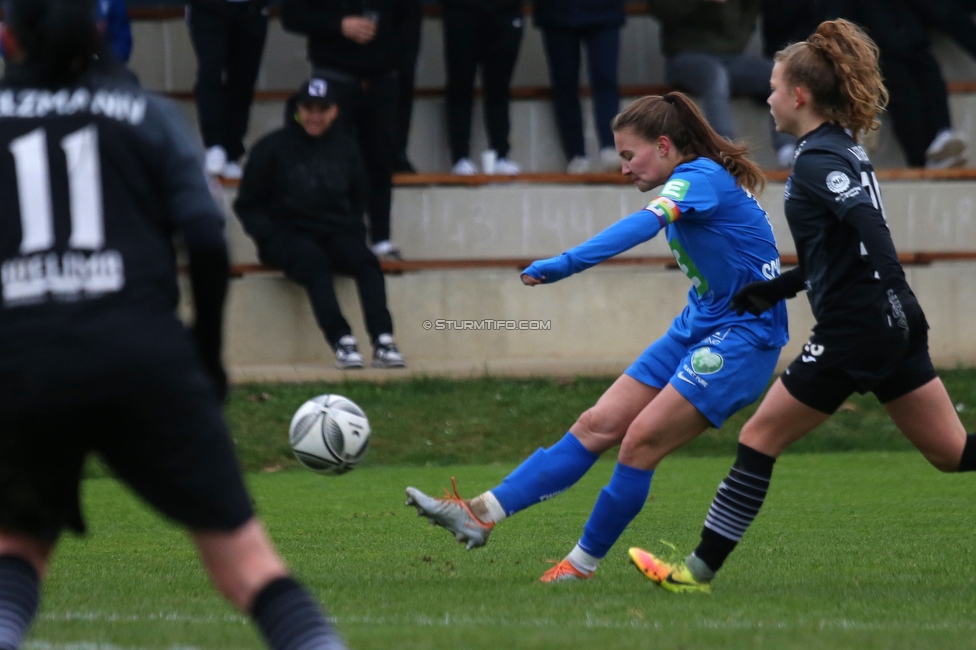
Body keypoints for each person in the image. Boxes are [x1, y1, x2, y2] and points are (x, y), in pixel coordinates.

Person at [0, 2, 347, 649]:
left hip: (22, 362)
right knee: (247, 563)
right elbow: (207, 240)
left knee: (16, 547)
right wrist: (206, 357)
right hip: (144, 357)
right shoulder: (147, 113)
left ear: (6, 36)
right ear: (100, 30)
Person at [629, 19, 976, 594]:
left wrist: (885, 286)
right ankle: (696, 572)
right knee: (951, 452)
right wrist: (782, 288)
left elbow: (867, 230)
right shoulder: (839, 148)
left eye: (772, 87)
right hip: (893, 320)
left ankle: (695, 573)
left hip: (858, 328)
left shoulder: (818, 160)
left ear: (799, 95)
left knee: (758, 439)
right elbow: (837, 250)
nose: (765, 98)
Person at [405, 91, 789, 582]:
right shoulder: (694, 180)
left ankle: (579, 567)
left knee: (639, 443)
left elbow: (642, 226)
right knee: (596, 424)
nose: (624, 168)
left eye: (630, 155)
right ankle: (479, 513)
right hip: (699, 324)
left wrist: (565, 264)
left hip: (743, 340)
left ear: (666, 146)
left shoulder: (700, 179)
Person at [234, 78, 406, 370]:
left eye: (321, 109)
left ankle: (383, 339)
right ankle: (342, 340)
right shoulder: (271, 148)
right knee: (313, 263)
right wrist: (267, 235)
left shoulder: (347, 147)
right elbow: (247, 204)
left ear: (334, 112)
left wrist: (353, 233)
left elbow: (358, 197)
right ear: (298, 110)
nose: (314, 116)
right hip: (287, 236)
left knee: (367, 262)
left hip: (335, 232)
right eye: (308, 109)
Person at [281, 0, 410, 260]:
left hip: (381, 78)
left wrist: (391, 52)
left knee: (379, 160)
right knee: (329, 160)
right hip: (334, 77)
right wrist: (339, 25)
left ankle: (381, 239)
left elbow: (407, 19)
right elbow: (292, 16)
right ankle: (329, 237)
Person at [647, 0, 798, 168]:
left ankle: (788, 149)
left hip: (731, 56)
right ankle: (724, 151)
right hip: (685, 55)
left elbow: (745, 21)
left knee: (780, 74)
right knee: (715, 75)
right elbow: (661, 9)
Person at [820, 0, 967, 168]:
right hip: (879, 54)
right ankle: (921, 160)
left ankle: (943, 133)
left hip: (914, 44)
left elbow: (940, 12)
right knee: (904, 96)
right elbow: (834, 21)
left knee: (931, 77)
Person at [534, 0, 625, 174]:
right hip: (557, 13)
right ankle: (576, 155)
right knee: (564, 83)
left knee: (605, 78)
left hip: (605, 11)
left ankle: (610, 147)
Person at [186, 0, 269, 180]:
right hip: (207, 9)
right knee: (210, 74)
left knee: (243, 81)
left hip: (251, 9)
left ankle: (232, 153)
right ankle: (214, 145)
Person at [443, 0, 523, 176]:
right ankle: (460, 157)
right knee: (460, 85)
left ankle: (501, 154)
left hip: (506, 12)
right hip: (463, 11)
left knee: (499, 88)